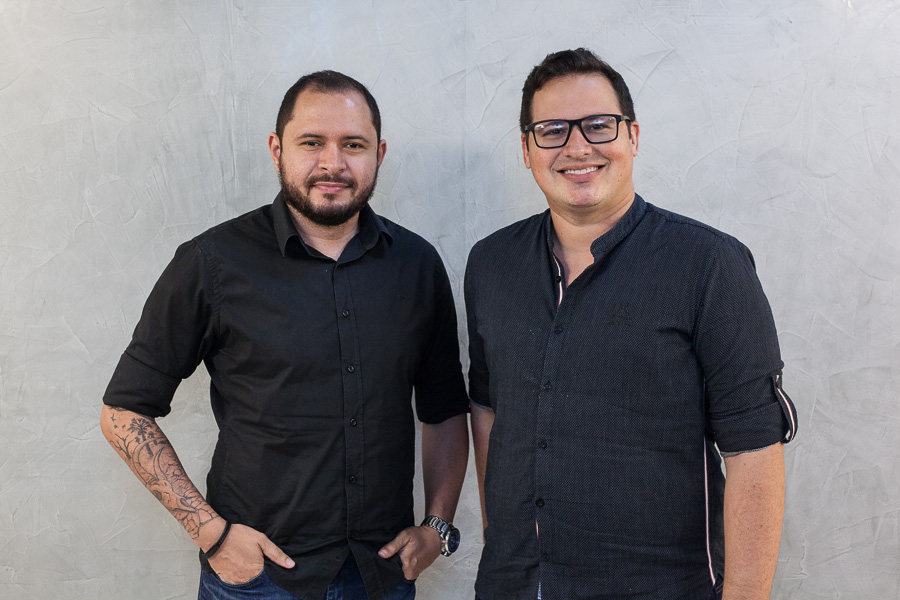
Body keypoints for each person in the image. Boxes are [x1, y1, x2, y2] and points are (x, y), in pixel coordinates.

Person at [101, 70, 469, 600]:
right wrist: (212, 534)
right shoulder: (211, 263)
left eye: (353, 144)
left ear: (380, 153)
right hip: (258, 581)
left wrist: (437, 525)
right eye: (311, 142)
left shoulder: (417, 265)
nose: (332, 163)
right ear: (277, 149)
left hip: (382, 575)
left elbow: (444, 410)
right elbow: (123, 412)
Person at [465, 49, 797, 600]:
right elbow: (488, 409)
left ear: (633, 137)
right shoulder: (491, 263)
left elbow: (753, 451)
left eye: (598, 125)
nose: (577, 147)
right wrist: (502, 540)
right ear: (526, 150)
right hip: (516, 584)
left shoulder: (709, 265)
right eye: (552, 130)